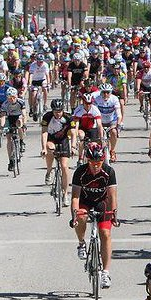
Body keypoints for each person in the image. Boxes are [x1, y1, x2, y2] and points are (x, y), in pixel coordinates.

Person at [70, 142, 118, 288]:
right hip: (85, 201)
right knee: (81, 217)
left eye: (98, 162)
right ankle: (81, 244)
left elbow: (112, 197)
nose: (95, 165)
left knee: (105, 233)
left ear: (103, 160)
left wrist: (114, 214)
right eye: (92, 162)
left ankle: (105, 272)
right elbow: (75, 197)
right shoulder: (80, 172)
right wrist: (74, 216)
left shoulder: (109, 172)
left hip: (102, 202)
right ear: (87, 160)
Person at [41, 99, 75, 206]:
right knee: (49, 148)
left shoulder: (69, 117)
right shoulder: (47, 117)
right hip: (51, 139)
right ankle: (49, 170)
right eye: (55, 111)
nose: (58, 113)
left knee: (64, 167)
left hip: (63, 140)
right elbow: (44, 133)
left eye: (59, 111)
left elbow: (73, 133)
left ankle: (65, 194)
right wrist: (43, 148)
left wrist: (73, 146)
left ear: (63, 110)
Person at [0, 87, 26, 172]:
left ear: (16, 96)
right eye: (10, 97)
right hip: (9, 118)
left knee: (19, 124)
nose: (12, 99)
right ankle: (11, 160)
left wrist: (24, 124)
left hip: (18, 117)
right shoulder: (5, 104)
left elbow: (24, 114)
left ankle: (21, 141)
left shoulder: (21, 102)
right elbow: (3, 117)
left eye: (14, 97)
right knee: (9, 138)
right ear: (7, 97)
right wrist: (2, 127)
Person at [94, 83, 123, 162]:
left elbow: (119, 115)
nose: (105, 94)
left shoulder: (114, 99)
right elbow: (94, 113)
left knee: (113, 132)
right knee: (98, 136)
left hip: (111, 121)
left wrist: (118, 125)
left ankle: (112, 151)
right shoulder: (97, 99)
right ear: (101, 92)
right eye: (103, 92)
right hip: (100, 121)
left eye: (108, 92)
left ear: (111, 92)